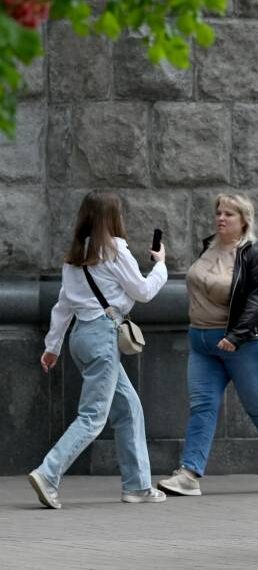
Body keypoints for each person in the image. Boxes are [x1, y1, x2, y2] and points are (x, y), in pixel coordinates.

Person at [31, 190, 168, 508]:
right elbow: (144, 291)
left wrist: (52, 346)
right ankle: (48, 473)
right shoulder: (116, 250)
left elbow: (63, 306)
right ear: (113, 218)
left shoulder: (77, 254)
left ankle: (137, 486)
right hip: (104, 337)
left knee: (129, 408)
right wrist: (160, 265)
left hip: (81, 337)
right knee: (93, 416)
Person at [157, 194, 258, 497]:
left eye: (229, 214)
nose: (221, 218)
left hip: (243, 345)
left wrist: (235, 336)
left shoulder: (253, 254)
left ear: (244, 220)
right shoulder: (208, 247)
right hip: (202, 342)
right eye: (218, 212)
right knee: (202, 406)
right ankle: (189, 473)